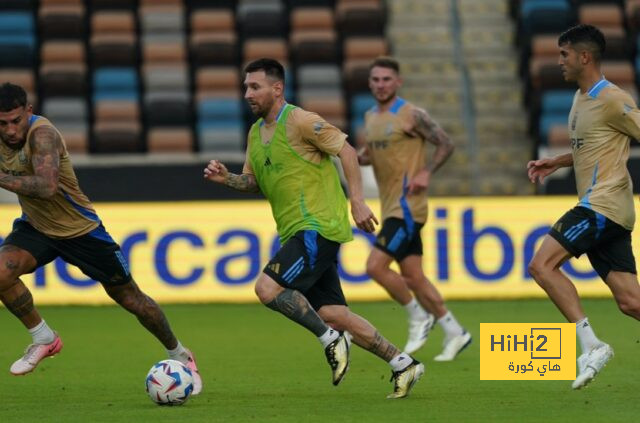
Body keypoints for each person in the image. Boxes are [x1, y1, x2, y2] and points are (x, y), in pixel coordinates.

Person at [204, 58, 424, 398]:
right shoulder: (255, 133)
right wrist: (227, 179)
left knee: (267, 289)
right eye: (246, 87)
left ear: (277, 89)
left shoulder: (302, 121)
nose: (247, 93)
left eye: (255, 87)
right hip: (295, 231)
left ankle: (329, 340)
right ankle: (403, 363)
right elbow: (253, 182)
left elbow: (347, 152)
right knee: (333, 313)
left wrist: (357, 201)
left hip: (317, 226)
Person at [0, 82, 202, 394]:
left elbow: (47, 186)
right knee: (1, 273)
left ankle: (180, 354)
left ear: (29, 111)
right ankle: (43, 337)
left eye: (16, 121)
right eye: (3, 123)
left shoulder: (43, 135)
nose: (11, 130)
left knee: (131, 298)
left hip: (81, 230)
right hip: (37, 227)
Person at [527, 24, 640, 390]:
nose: (559, 60)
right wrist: (558, 161)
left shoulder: (613, 98)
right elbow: (592, 146)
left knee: (541, 265)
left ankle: (591, 345)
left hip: (601, 207)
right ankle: (592, 344)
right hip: (607, 211)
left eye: (564, 54)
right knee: (630, 302)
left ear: (584, 56)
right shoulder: (580, 98)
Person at [357, 56, 471, 360]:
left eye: (386, 79)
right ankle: (455, 331)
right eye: (376, 80)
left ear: (398, 82)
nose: (381, 85)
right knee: (414, 277)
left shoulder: (411, 115)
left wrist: (426, 172)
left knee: (375, 267)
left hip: (407, 208)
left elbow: (445, 143)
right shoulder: (370, 118)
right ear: (369, 83)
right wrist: (352, 158)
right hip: (390, 205)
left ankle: (418, 316)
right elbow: (370, 155)